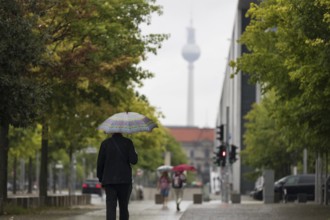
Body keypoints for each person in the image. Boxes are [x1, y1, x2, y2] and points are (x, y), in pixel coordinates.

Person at [97, 132, 138, 220]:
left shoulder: (105, 143)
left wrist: (101, 179)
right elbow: (134, 160)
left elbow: (100, 163)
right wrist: (134, 151)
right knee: (123, 207)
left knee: (110, 207)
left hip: (109, 181)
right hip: (125, 181)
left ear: (111, 131)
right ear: (122, 131)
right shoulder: (128, 142)